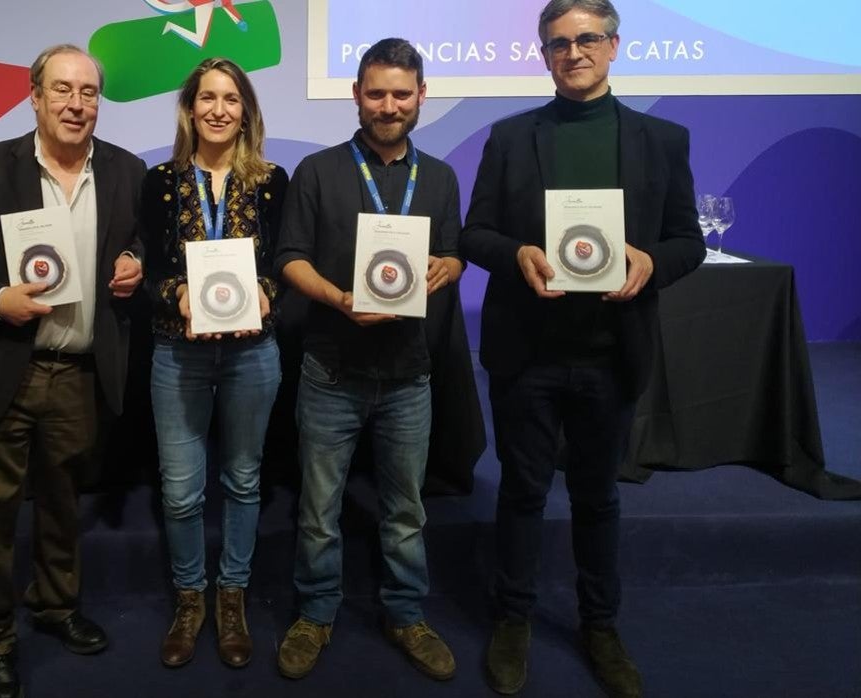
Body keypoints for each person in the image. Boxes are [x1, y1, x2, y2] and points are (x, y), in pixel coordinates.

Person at [458, 2, 705, 696]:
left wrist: (653, 263)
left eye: (587, 38)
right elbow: (475, 234)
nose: (573, 52)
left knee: (598, 499)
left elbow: (687, 241)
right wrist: (519, 255)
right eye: (558, 43)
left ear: (614, 46)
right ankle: (513, 619)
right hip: (526, 354)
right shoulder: (509, 138)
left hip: (611, 353)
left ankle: (600, 624)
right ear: (544, 55)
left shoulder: (663, 140)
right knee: (523, 492)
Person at [0, 44, 145, 698]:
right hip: (1, 364)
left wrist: (135, 261)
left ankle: (56, 606)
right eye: (63, 90)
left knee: (61, 504)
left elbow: (139, 245)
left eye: (88, 92)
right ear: (35, 97)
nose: (77, 104)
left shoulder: (128, 171)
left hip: (79, 370)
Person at [273, 37, 465, 682]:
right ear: (356, 95)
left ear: (421, 97)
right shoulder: (318, 172)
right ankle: (316, 613)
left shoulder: (438, 177)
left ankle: (406, 613)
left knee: (406, 513)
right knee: (318, 513)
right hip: (330, 372)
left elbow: (455, 252)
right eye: (376, 92)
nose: (389, 105)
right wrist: (336, 298)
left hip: (410, 375)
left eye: (401, 93)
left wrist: (451, 264)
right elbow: (288, 258)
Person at [138, 57, 288, 670]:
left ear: (246, 110)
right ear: (190, 108)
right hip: (179, 353)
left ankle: (233, 596)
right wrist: (172, 292)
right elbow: (146, 266)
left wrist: (267, 292)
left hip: (253, 352)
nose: (219, 110)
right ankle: (190, 598)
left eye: (231, 99)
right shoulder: (162, 181)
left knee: (245, 480)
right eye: (207, 98)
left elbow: (289, 259)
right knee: (179, 492)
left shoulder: (275, 180)